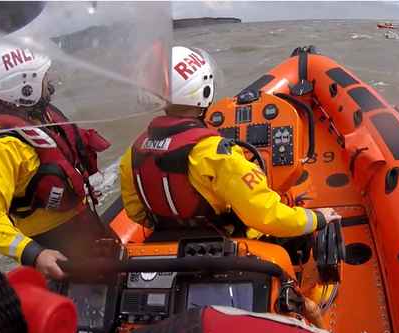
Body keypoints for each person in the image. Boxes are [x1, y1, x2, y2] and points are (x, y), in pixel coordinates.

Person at [120, 46, 340, 240]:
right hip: (224, 244)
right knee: (297, 234)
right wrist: (317, 218)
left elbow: (135, 212)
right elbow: (267, 216)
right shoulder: (216, 154)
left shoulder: (134, 151)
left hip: (166, 244)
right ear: (204, 90)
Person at [0, 44, 112, 280]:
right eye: (43, 77)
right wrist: (33, 254)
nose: (49, 82)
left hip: (80, 222)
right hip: (53, 242)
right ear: (25, 88)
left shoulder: (37, 115)